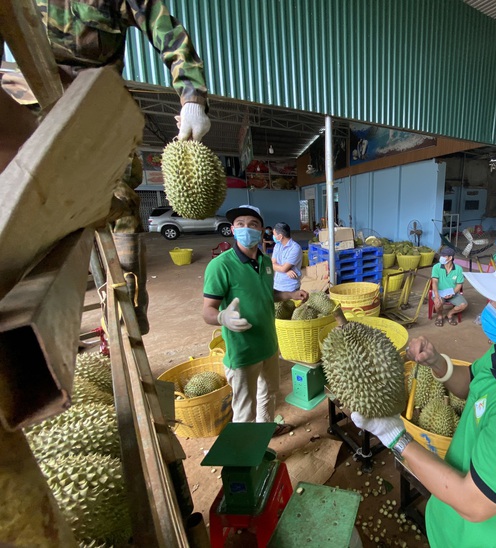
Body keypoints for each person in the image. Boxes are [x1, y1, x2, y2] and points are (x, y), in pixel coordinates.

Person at [352, 250, 496, 547]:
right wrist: (437, 362)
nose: (490, 308)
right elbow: (472, 386)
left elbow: (473, 503)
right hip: (448, 521)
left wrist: (395, 437)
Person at [1, 0, 211, 334]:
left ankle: (128, 307)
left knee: (122, 204)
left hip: (96, 113)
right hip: (25, 106)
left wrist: (192, 99)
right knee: (20, 205)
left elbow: (169, 35)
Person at [202, 205, 306, 435]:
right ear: (232, 229)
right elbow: (207, 310)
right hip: (243, 351)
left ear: (262, 231)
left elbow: (266, 295)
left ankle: (266, 431)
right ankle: (247, 457)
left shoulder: (267, 263)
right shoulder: (220, 266)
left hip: (268, 345)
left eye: (253, 224)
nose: (246, 228)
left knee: (269, 396)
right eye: (240, 224)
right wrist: (222, 317)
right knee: (244, 411)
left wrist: (288, 295)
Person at [431, 247, 467, 326]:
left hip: (452, 292)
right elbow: (434, 282)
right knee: (438, 303)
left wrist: (453, 293)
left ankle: (449, 314)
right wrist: (437, 296)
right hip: (439, 292)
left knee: (463, 305)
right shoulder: (436, 267)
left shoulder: (458, 269)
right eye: (441, 256)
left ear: (450, 258)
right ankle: (439, 316)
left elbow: (459, 284)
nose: (441, 258)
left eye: (444, 256)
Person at [271, 222, 303, 292]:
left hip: (290, 287)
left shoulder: (295, 248)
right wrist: (286, 270)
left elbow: (281, 268)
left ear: (280, 236)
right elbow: (272, 264)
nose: (273, 236)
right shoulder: (277, 246)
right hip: (277, 285)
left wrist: (283, 269)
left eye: (274, 234)